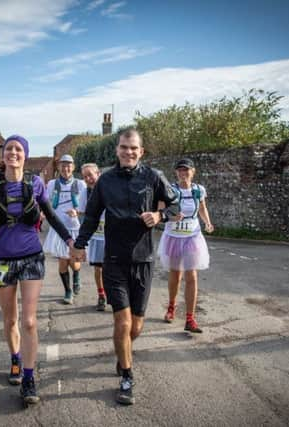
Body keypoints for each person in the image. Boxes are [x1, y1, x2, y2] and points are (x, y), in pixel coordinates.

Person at [71, 128, 176, 405]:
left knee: (137, 326)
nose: (128, 152)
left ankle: (124, 352)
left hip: (143, 261)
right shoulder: (105, 181)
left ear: (141, 151)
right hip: (114, 260)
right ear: (117, 150)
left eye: (134, 148)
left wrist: (160, 214)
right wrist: (79, 245)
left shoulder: (153, 177)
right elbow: (92, 216)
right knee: (123, 321)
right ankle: (127, 375)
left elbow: (177, 206)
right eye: (124, 147)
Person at [0, 135, 73, 406]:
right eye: (9, 149)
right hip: (1, 260)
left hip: (31, 259)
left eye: (18, 149)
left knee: (29, 321)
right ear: (3, 156)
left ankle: (28, 377)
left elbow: (50, 214)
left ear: (24, 155)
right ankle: (15, 358)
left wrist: (71, 241)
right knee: (10, 319)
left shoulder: (35, 183)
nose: (13, 153)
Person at [159, 158, 214, 333]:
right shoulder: (170, 190)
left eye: (186, 170)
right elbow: (160, 210)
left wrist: (208, 222)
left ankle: (190, 319)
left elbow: (202, 208)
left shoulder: (199, 190)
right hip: (173, 236)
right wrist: (170, 216)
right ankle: (171, 307)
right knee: (176, 275)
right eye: (180, 170)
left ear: (193, 171)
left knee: (192, 276)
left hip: (192, 235)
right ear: (176, 172)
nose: (183, 173)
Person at [43, 154, 87, 304]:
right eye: (62, 165)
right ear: (58, 167)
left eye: (68, 165)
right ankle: (68, 291)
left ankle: (76, 275)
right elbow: (46, 204)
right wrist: (42, 214)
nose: (65, 168)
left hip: (75, 228)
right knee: (63, 262)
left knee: (74, 262)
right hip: (58, 230)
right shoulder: (51, 184)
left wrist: (77, 212)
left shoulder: (81, 184)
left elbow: (87, 206)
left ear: (73, 167)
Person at [80, 163, 107, 311]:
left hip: (112, 236)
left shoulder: (110, 189)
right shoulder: (86, 193)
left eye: (90, 175)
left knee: (113, 268)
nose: (88, 179)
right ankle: (101, 295)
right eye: (85, 177)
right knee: (99, 269)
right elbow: (83, 213)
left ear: (98, 173)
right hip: (97, 236)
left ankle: (116, 295)